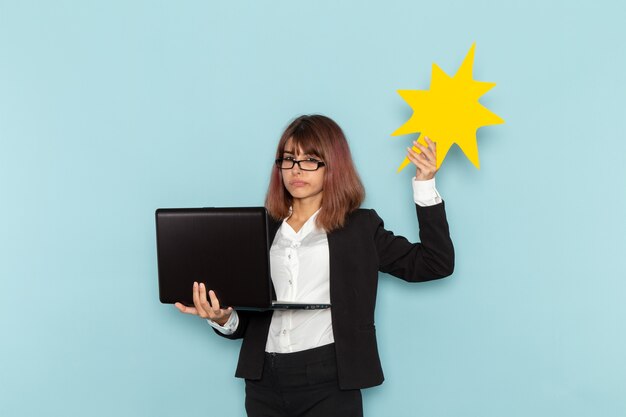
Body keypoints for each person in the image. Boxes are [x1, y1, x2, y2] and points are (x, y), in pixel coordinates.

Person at [175, 115, 454, 417]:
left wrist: (424, 184)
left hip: (329, 381)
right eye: (288, 159)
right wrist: (223, 317)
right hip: (262, 381)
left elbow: (434, 263)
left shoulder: (360, 228)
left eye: (310, 160)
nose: (296, 169)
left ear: (333, 165)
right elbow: (250, 318)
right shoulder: (258, 230)